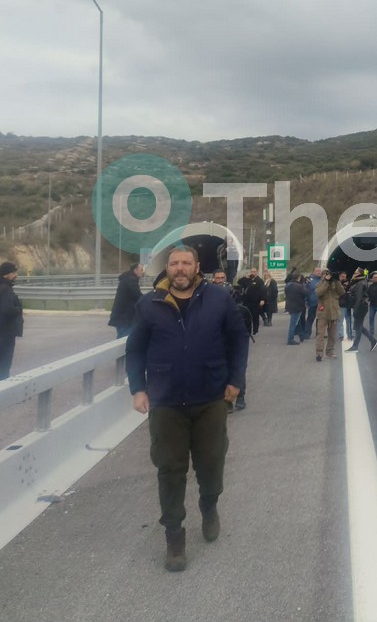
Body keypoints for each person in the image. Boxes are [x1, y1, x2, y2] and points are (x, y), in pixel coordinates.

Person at [126, 245, 249, 572]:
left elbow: (238, 339)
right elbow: (135, 350)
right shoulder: (149, 304)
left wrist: (236, 380)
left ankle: (209, 506)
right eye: (174, 263)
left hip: (210, 398)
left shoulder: (219, 299)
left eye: (186, 263)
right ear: (167, 268)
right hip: (166, 402)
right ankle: (174, 536)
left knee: (211, 463)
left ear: (197, 267)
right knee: (169, 469)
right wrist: (138, 388)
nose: (179, 268)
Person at [314, 269, 345, 362]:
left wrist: (336, 281)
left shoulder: (335, 284)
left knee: (332, 335)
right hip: (323, 313)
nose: (326, 276)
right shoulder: (320, 284)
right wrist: (326, 282)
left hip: (334, 313)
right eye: (325, 275)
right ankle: (319, 353)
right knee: (321, 335)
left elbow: (342, 292)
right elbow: (318, 292)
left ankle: (330, 352)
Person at [108, 262, 144, 338]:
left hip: (123, 317)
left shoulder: (128, 279)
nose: (142, 272)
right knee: (124, 341)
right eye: (141, 270)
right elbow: (139, 297)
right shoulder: (131, 281)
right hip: (124, 318)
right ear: (135, 270)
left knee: (123, 340)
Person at [346, 270, 377, 352]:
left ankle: (355, 346)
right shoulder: (360, 282)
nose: (354, 274)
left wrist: (356, 310)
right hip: (361, 306)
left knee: (358, 327)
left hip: (360, 307)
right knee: (359, 326)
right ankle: (373, 341)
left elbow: (359, 298)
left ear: (359, 274)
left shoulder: (360, 283)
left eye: (355, 273)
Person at [236, 268, 266, 335]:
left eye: (254, 271)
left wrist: (262, 299)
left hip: (255, 301)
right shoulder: (247, 280)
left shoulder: (259, 281)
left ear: (257, 272)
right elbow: (239, 282)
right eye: (252, 271)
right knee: (247, 316)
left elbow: (263, 291)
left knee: (255, 316)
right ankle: (248, 330)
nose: (253, 273)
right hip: (247, 301)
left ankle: (255, 330)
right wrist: (245, 277)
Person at [284, 274, 308, 345]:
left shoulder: (288, 285)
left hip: (289, 305)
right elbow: (306, 293)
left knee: (298, 321)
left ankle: (301, 336)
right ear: (299, 278)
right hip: (297, 306)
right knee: (293, 323)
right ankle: (290, 339)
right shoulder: (299, 286)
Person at [302, 268, 322, 339]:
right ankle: (307, 333)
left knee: (320, 319)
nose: (319, 272)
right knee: (310, 318)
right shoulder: (309, 280)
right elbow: (304, 290)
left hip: (321, 303)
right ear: (313, 272)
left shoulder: (323, 280)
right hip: (312, 302)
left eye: (320, 271)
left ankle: (319, 333)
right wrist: (305, 300)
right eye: (317, 271)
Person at [337, 271, 353, 340]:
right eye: (342, 276)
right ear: (339, 277)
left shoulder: (349, 284)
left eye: (344, 277)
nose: (343, 278)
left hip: (348, 304)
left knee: (349, 320)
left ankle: (350, 334)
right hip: (341, 304)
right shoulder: (337, 284)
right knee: (340, 320)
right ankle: (341, 335)